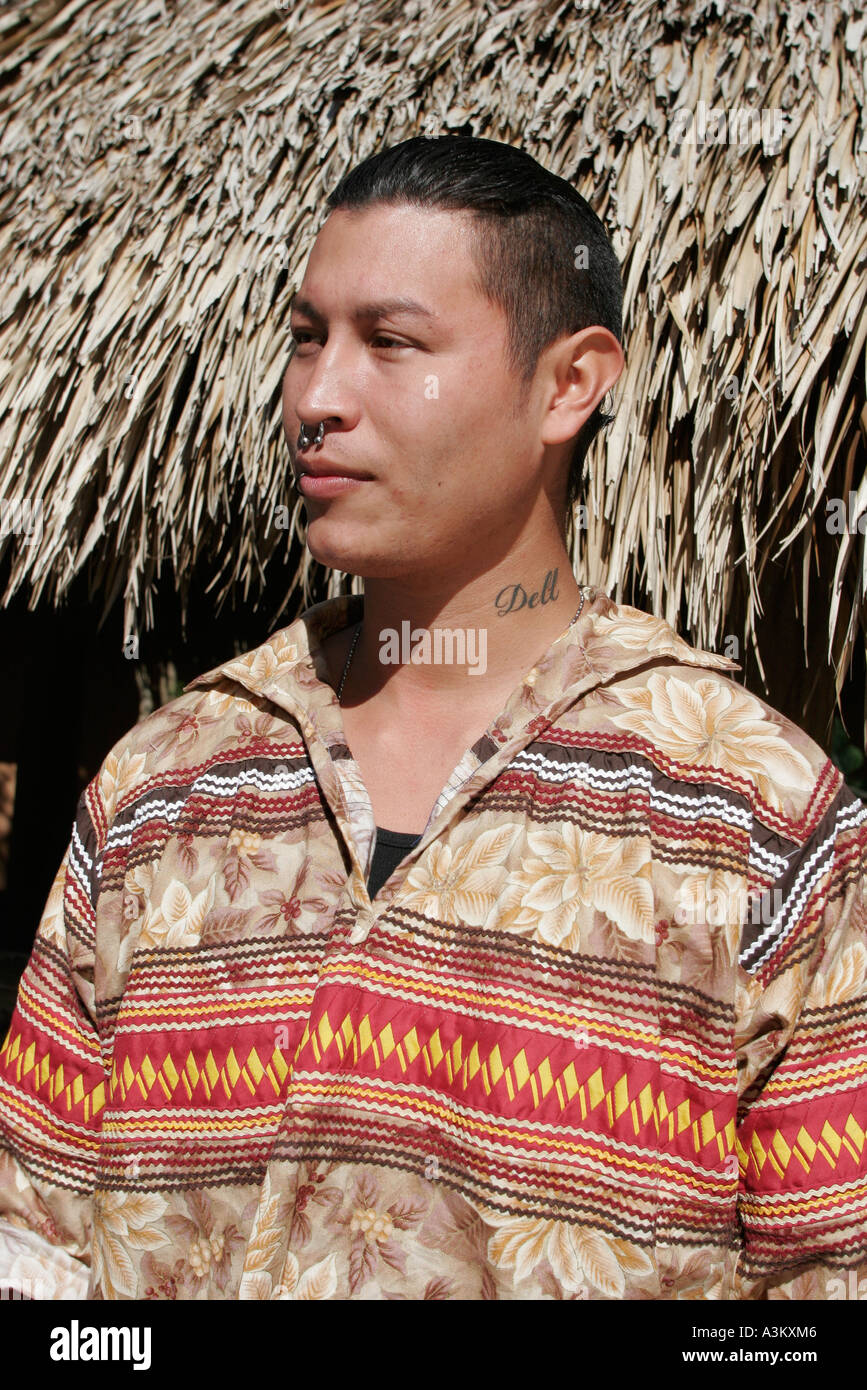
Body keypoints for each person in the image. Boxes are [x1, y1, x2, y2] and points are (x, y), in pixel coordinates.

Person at [0, 135, 865, 1301]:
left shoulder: (750, 819)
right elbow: (34, 1255)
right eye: (308, 338)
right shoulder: (166, 787)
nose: (316, 398)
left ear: (568, 385)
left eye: (390, 342)